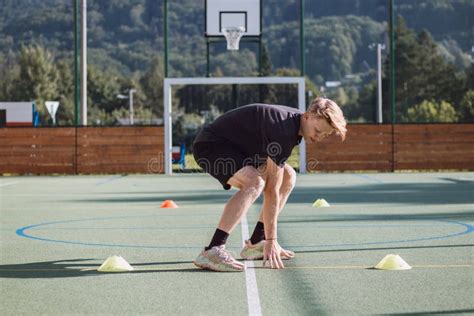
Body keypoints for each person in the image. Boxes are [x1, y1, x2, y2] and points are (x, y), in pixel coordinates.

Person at [192, 97, 347, 272]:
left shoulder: (295, 125)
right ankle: (213, 250)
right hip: (211, 145)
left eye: (324, 135)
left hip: (241, 150)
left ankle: (256, 242)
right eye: (318, 130)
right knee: (254, 183)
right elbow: (271, 190)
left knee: (288, 176)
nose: (319, 137)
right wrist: (272, 241)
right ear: (306, 116)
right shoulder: (283, 130)